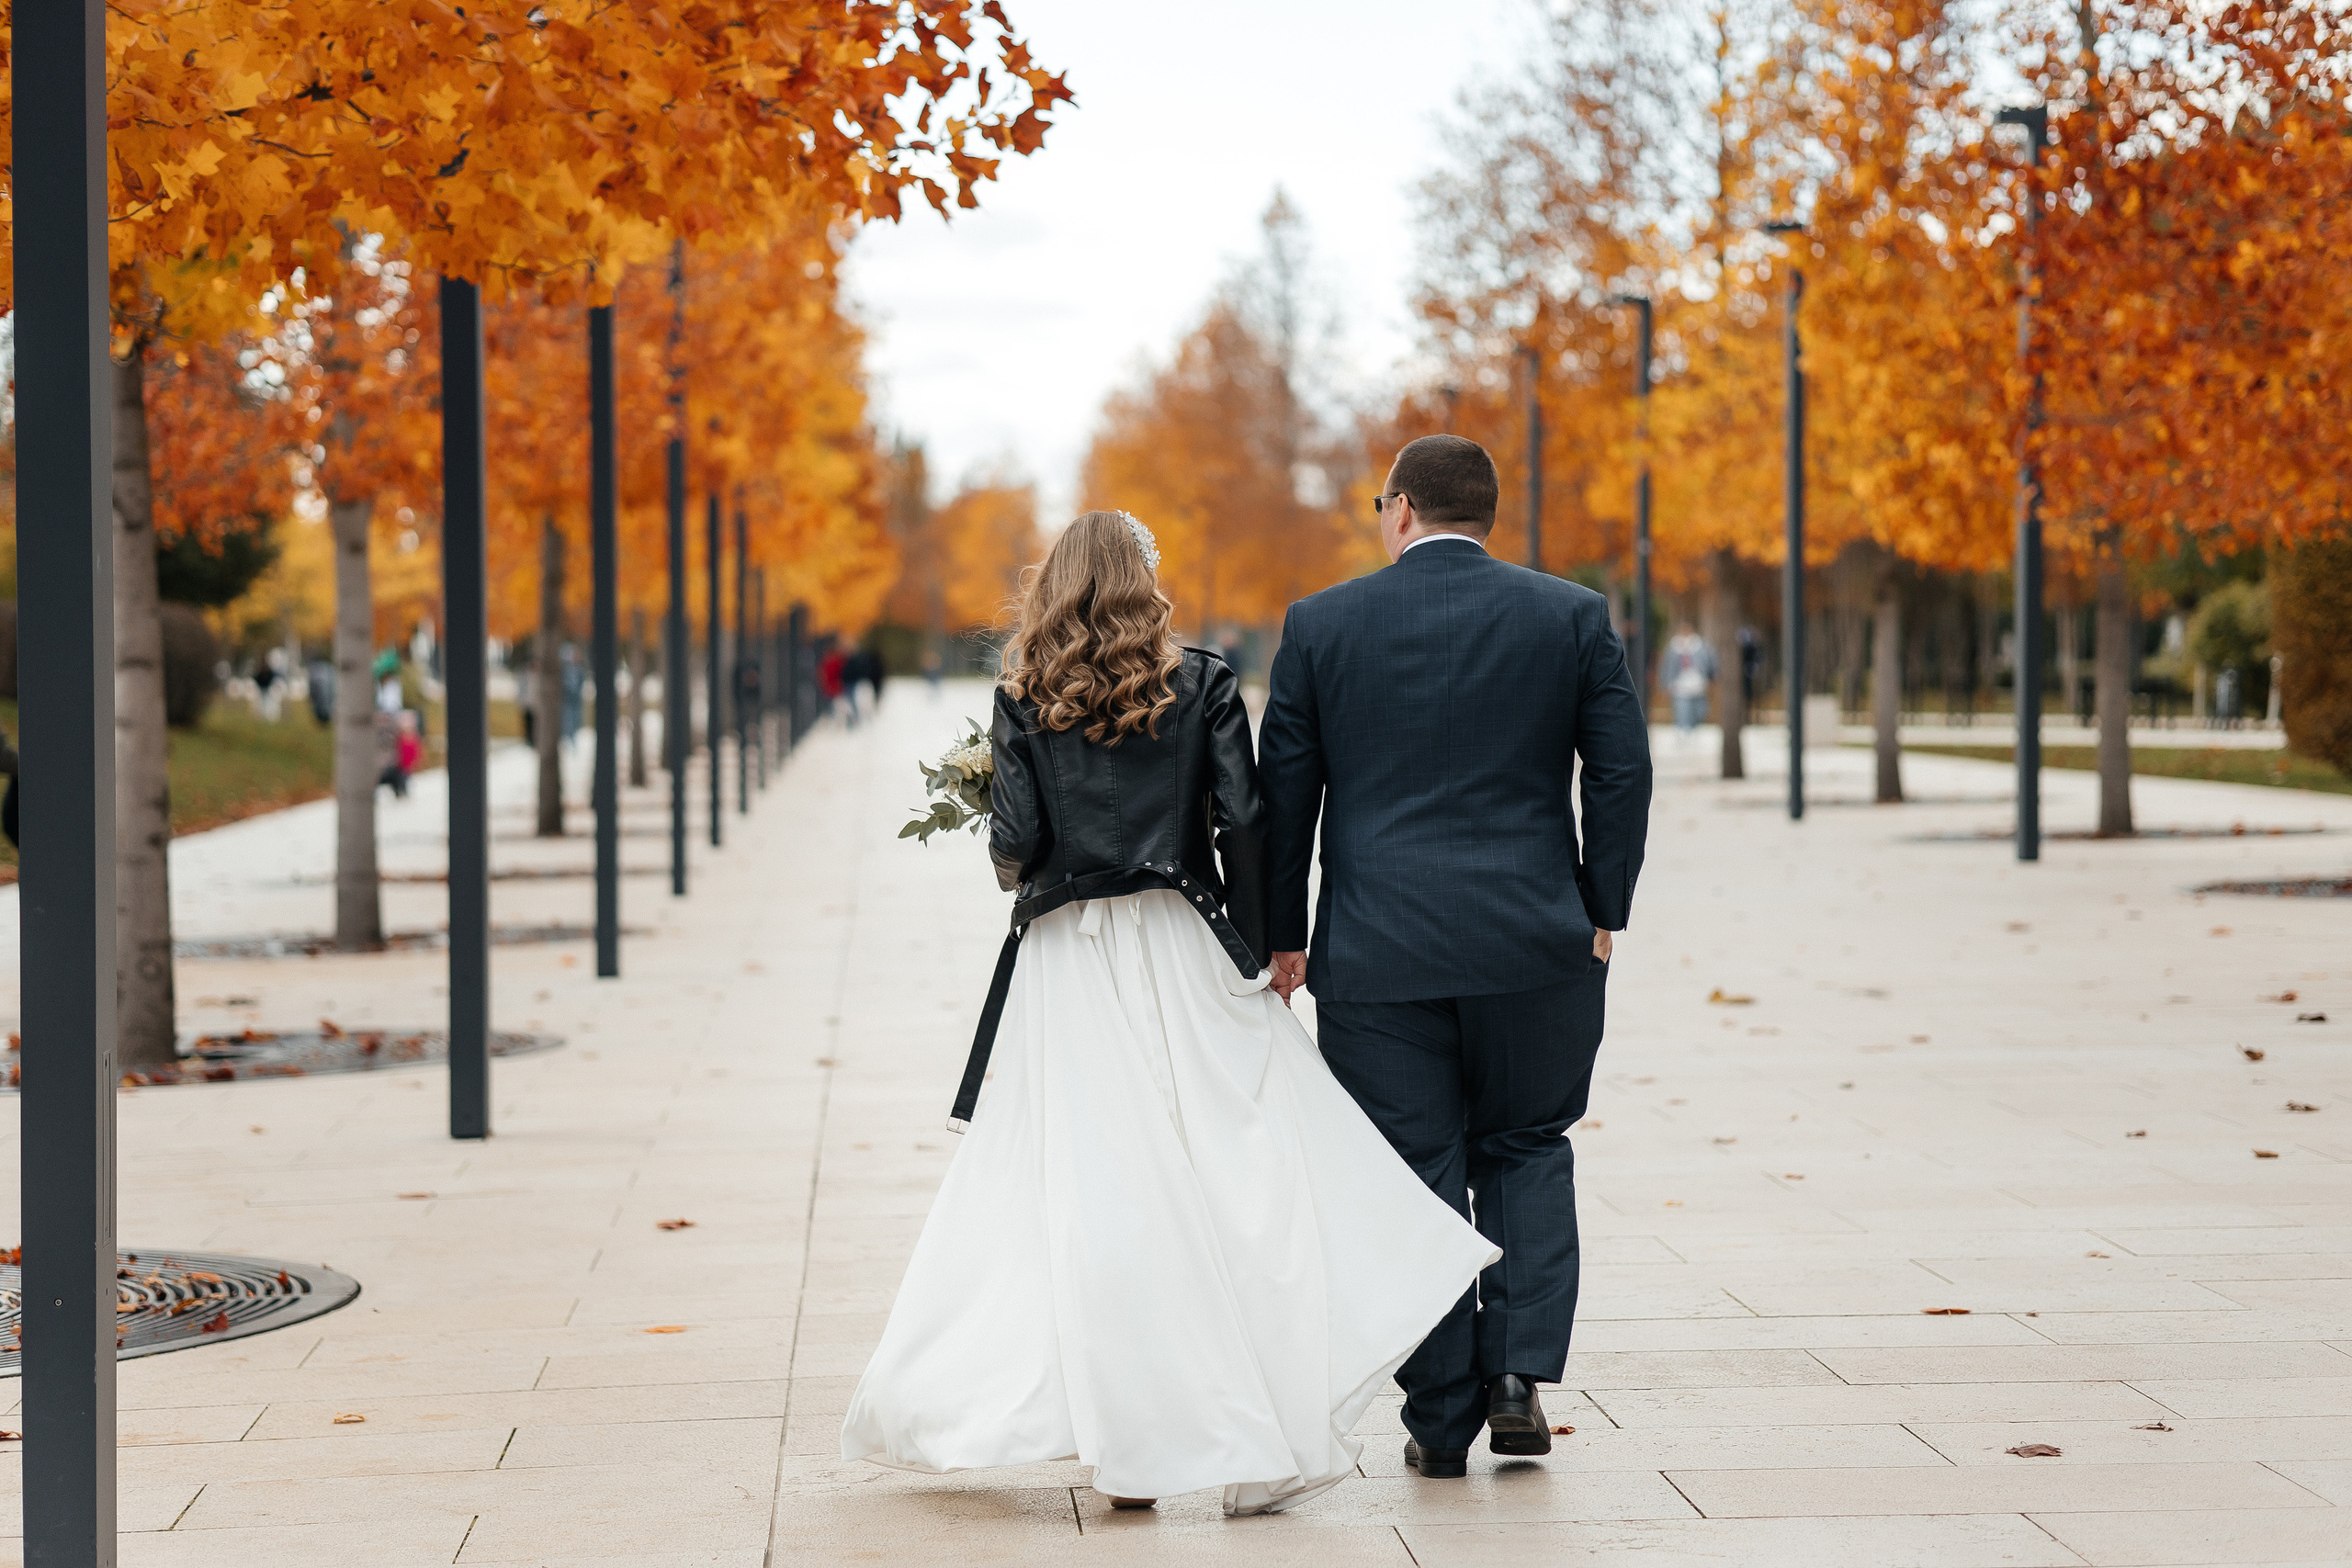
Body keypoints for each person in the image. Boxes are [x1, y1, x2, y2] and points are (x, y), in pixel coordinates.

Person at [841, 511, 1495, 1516]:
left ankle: (1124, 1438)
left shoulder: (1021, 690)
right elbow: (1243, 816)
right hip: (1184, 936)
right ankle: (1251, 1415)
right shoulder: (1200, 680)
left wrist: (1026, 843)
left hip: (1067, 955)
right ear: (1148, 582)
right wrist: (1266, 942)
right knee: (1247, 1161)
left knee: (1090, 1183)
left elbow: (1015, 842)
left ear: (1053, 583)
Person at [1259, 434, 1652, 1480]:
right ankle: (1518, 1373)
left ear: (1398, 512)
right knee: (1526, 1144)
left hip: (1379, 954)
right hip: (1535, 939)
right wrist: (1602, 906)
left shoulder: (1322, 625)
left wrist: (1282, 933)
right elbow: (1619, 774)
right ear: (1485, 515)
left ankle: (1439, 1415)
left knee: (1411, 1171)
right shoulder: (1571, 616)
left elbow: (1281, 794)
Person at [1661, 622, 1717, 735]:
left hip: (1699, 685)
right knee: (1682, 713)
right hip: (1680, 687)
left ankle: (1695, 734)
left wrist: (1711, 679)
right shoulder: (1673, 649)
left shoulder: (1701, 646)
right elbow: (1667, 668)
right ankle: (1683, 735)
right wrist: (1666, 684)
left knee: (1700, 713)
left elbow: (1711, 664)